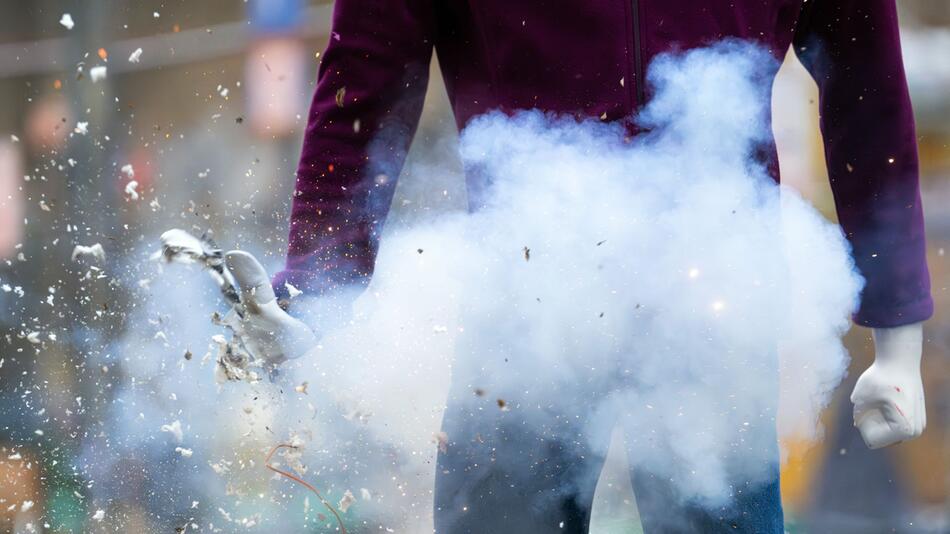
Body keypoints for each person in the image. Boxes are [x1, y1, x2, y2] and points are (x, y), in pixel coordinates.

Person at [222, 0, 933, 532]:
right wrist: (319, 285)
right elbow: (365, 80)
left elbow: (865, 79)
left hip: (713, 309)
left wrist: (898, 327)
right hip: (526, 308)